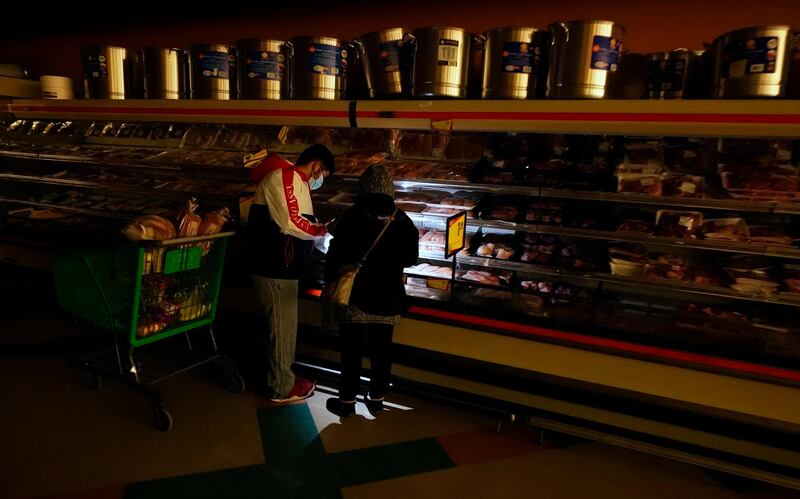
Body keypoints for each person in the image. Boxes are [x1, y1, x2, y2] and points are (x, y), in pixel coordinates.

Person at [324, 164, 419, 417]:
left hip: (357, 295)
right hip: (389, 296)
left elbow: (336, 252)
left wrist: (330, 279)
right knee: (382, 350)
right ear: (389, 189)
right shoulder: (402, 218)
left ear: (364, 188)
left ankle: (346, 402)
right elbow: (412, 257)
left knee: (352, 350)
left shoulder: (354, 215)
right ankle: (376, 398)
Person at [246, 144, 334, 403]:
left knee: (286, 327)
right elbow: (290, 222)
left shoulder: (299, 183)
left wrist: (321, 237)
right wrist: (322, 232)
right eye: (324, 175)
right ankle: (281, 388)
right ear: (317, 165)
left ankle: (285, 377)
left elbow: (300, 222)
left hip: (285, 266)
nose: (321, 180)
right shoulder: (284, 176)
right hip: (273, 266)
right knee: (282, 328)